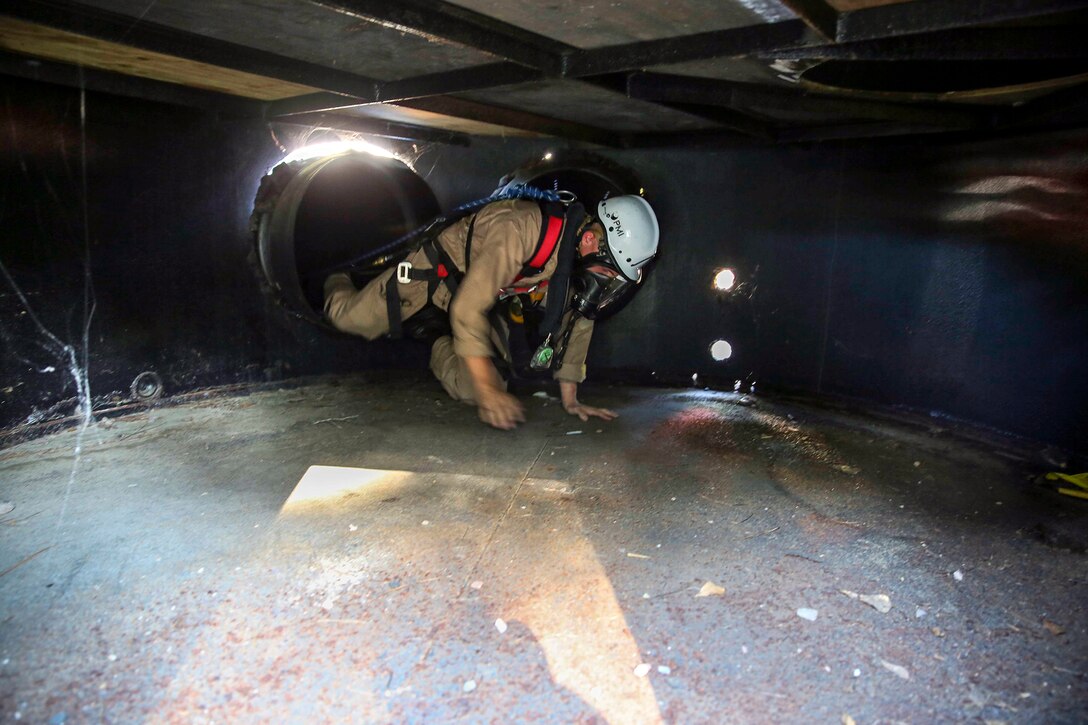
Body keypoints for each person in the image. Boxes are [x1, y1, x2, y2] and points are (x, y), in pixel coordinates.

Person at [323, 194, 659, 430]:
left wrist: (570, 399)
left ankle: (436, 334)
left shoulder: (571, 263)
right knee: (348, 318)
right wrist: (489, 394)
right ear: (589, 240)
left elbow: (579, 319)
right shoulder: (521, 230)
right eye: (611, 271)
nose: (609, 281)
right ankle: (339, 273)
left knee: (474, 386)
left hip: (471, 303)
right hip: (435, 277)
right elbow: (469, 307)